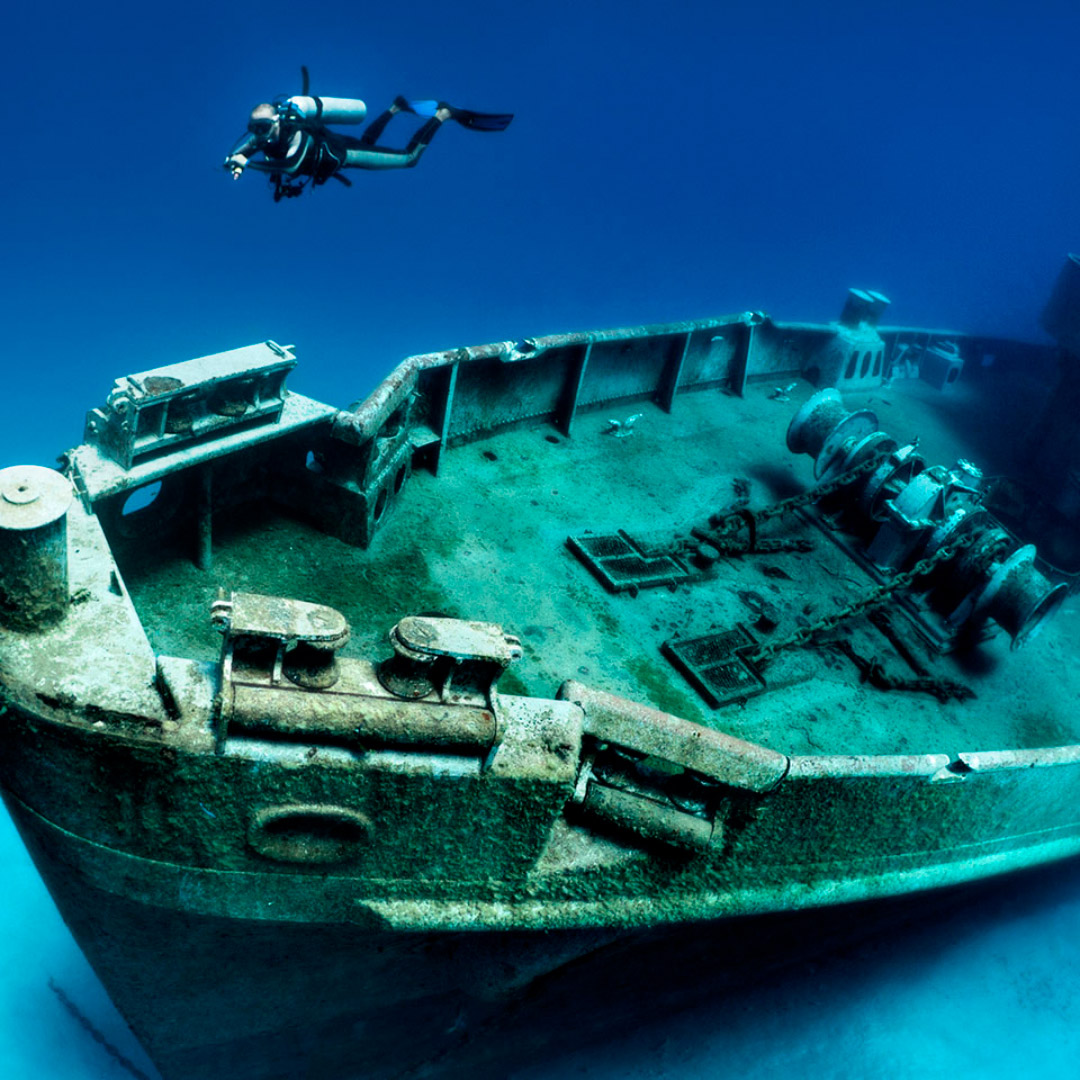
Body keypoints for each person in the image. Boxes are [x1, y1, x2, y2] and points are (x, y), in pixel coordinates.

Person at [224, 92, 513, 199]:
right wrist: (235, 160)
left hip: (344, 153)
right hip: (337, 147)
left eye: (263, 127)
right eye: (253, 128)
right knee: (366, 142)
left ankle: (443, 114)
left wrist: (249, 164)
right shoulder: (260, 137)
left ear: (276, 121)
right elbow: (239, 152)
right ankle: (394, 108)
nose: (258, 134)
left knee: (409, 158)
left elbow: (291, 164)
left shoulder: (296, 134)